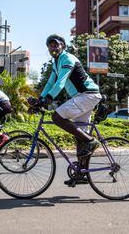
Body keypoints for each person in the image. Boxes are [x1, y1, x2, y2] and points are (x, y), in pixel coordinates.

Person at [34, 34, 102, 187]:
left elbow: (60, 82)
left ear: (63, 46)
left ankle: (91, 141)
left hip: (88, 95)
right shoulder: (56, 62)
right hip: (82, 97)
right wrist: (40, 99)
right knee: (80, 136)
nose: (53, 47)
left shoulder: (68, 59)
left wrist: (49, 98)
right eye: (50, 45)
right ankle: (81, 173)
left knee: (57, 117)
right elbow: (50, 82)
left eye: (56, 44)